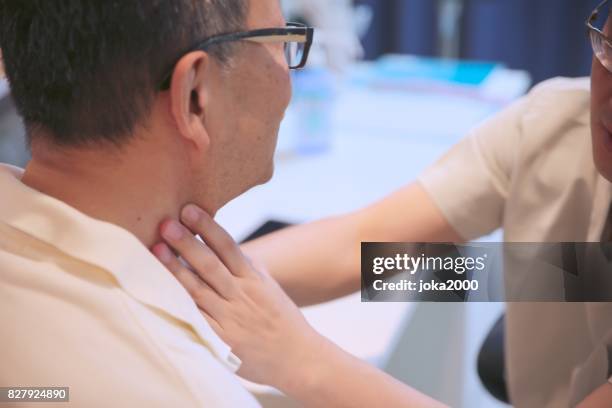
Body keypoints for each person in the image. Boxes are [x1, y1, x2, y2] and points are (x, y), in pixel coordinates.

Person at [154, 0, 612, 407]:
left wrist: (298, 357)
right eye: (610, 48)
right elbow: (367, 247)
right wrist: (193, 281)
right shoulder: (552, 124)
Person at [0, 0, 322, 406]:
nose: (289, 80)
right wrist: (310, 364)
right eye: (280, 41)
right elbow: (393, 248)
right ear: (194, 97)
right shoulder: (182, 389)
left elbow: (392, 248)